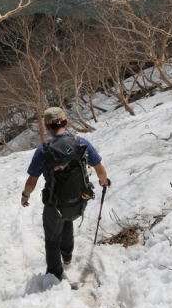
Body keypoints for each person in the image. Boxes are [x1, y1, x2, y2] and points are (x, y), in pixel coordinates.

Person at [21, 107, 110, 280]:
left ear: (47, 127)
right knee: (67, 221)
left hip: (55, 205)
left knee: (52, 239)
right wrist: (104, 182)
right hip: (78, 203)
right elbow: (100, 169)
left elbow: (32, 181)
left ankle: (55, 275)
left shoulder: (43, 151)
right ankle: (67, 257)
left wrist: (25, 196)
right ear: (66, 121)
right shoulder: (81, 143)